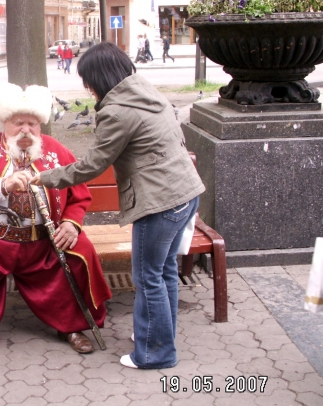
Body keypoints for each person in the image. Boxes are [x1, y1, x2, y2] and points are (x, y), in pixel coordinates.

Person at [31, 42, 205, 370]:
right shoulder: (144, 91)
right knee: (164, 270)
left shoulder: (117, 111)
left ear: (98, 78)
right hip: (186, 193)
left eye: (87, 81)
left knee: (147, 275)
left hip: (160, 204)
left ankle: (155, 353)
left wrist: (45, 177)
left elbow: (91, 166)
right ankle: (158, 336)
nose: (87, 88)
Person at [0, 83, 112, 359]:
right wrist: (3, 184)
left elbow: (80, 194)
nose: (26, 130)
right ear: (6, 122)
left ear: (40, 125)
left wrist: (71, 223)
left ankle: (73, 326)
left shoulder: (56, 151)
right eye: (18, 123)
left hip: (42, 243)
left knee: (79, 254)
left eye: (32, 123)